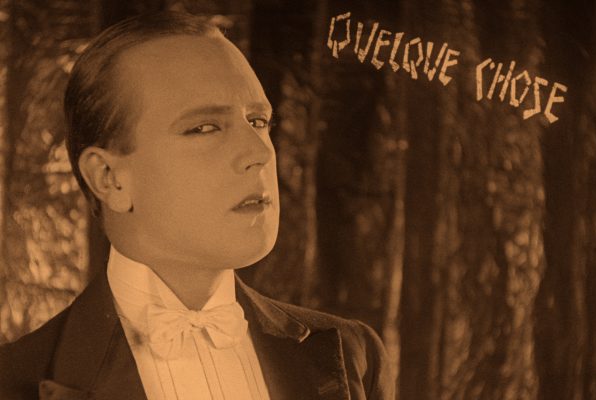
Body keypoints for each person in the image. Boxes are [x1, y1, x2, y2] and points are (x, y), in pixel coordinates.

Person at [0, 12, 394, 400]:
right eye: (204, 127)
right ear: (109, 178)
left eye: (258, 122)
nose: (259, 153)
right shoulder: (16, 380)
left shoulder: (353, 355)